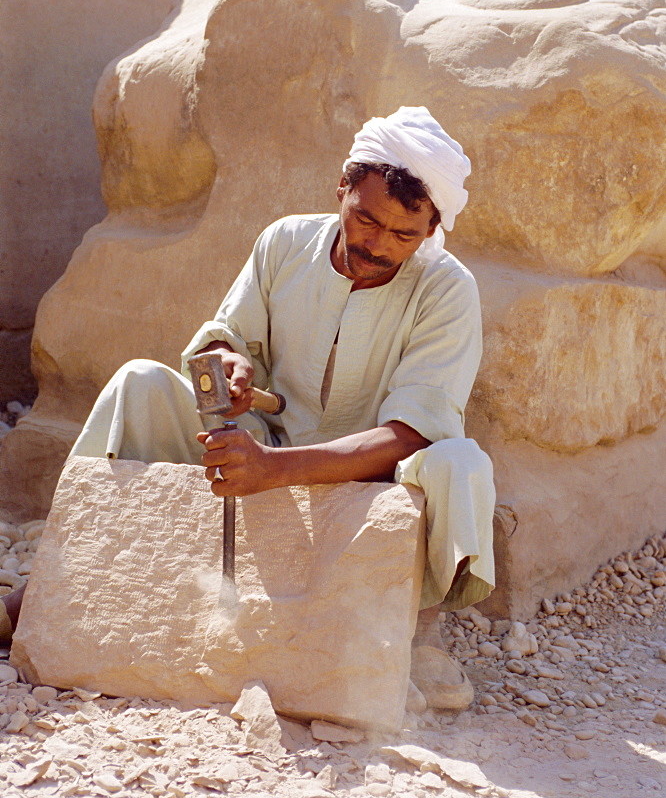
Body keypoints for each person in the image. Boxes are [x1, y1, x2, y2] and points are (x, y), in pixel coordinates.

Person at [4, 106, 496, 710]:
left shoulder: (447, 288)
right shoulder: (285, 242)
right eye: (365, 219)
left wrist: (275, 469)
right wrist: (225, 366)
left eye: (403, 235)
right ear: (341, 187)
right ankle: (54, 588)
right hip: (262, 448)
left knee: (457, 463)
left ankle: (418, 635)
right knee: (140, 383)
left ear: (430, 228)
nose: (377, 245)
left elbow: (413, 431)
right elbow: (220, 342)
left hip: (370, 476)